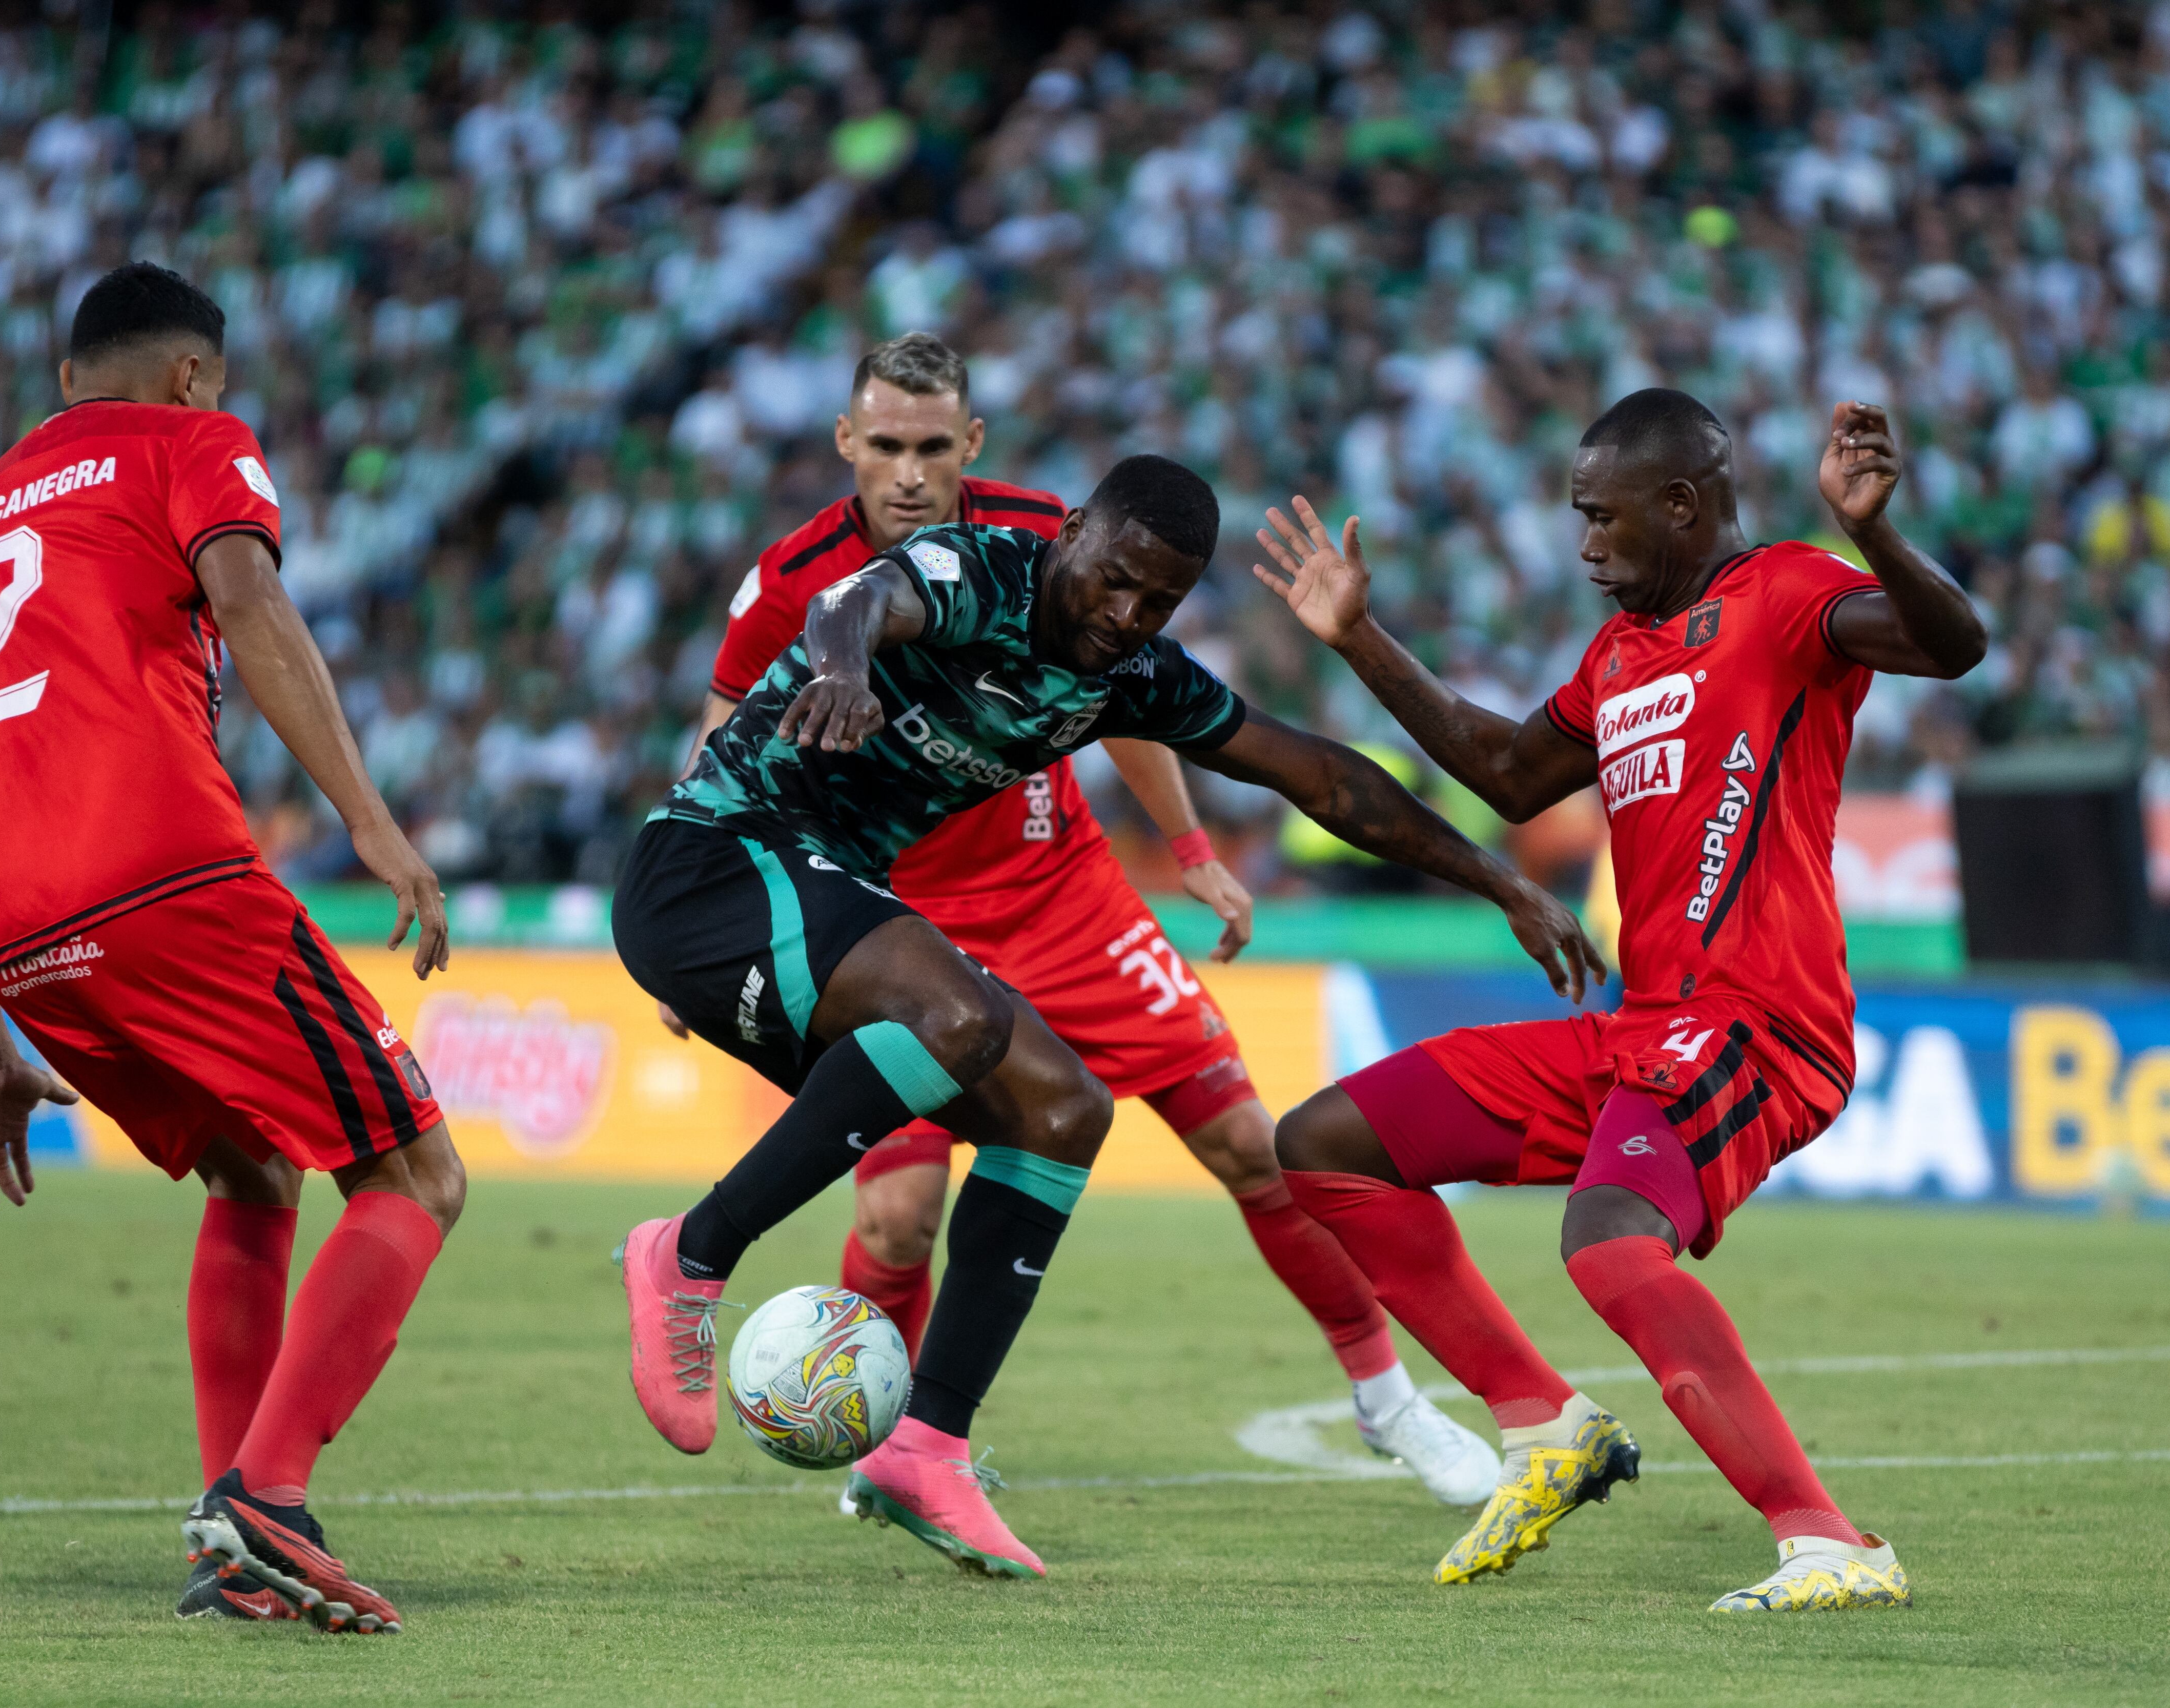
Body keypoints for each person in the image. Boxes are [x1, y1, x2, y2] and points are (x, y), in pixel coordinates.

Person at [612, 450, 1599, 1579]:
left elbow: (1323, 779)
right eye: (1115, 578)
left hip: (827, 895)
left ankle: (926, 1447)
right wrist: (839, 664)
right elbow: (856, 596)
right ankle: (688, 1252)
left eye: (1161, 600)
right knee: (957, 1018)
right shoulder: (978, 571)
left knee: (1063, 1107)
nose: (1127, 613)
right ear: (1072, 532)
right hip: (711, 868)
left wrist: (1505, 883)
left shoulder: (1129, 675)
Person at [1252, 391, 1986, 1612]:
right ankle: (1544, 1421)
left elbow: (1951, 645)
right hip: (1644, 1028)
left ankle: (1829, 1540)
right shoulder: (1619, 654)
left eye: (1601, 518)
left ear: (1682, 505)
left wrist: (1881, 539)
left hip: (1760, 1024)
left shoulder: (1792, 594)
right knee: (1324, 1145)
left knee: (1604, 1241)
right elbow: (1505, 771)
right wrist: (1358, 638)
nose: (1585, 545)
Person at [0, 262, 463, 1635]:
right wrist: (371, 821)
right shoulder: (196, 443)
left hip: (21, 925)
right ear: (194, 373)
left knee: (250, 1163)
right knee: (415, 1169)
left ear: (64, 379)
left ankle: (232, 1528)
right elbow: (255, 604)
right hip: (168, 876)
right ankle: (267, 1495)